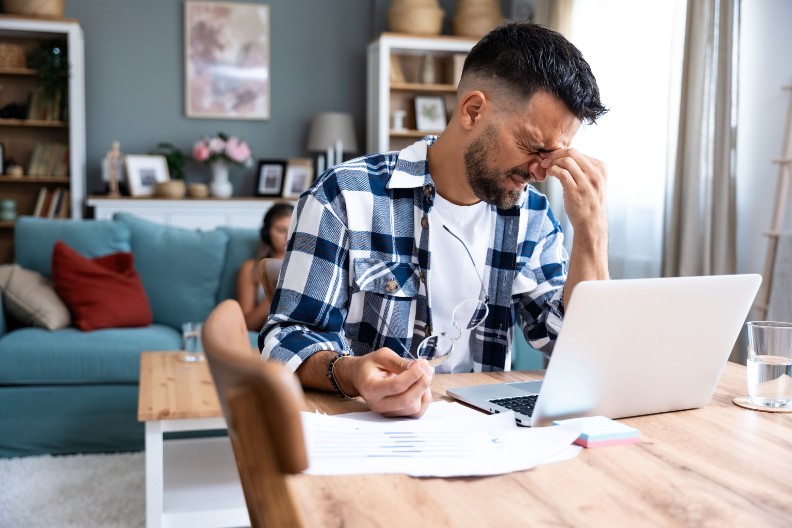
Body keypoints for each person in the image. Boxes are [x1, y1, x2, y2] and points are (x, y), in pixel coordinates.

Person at [260, 23, 609, 419]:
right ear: (473, 111)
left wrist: (591, 231)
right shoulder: (345, 196)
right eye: (534, 147)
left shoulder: (531, 217)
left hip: (487, 437)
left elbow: (579, 351)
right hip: (369, 431)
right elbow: (285, 339)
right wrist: (352, 373)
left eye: (555, 154)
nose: (541, 171)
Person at [236, 202, 294, 331]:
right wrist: (271, 300)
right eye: (281, 230)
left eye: (292, 230)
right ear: (267, 233)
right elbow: (246, 325)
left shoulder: (309, 264)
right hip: (270, 332)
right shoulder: (251, 268)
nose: (288, 237)